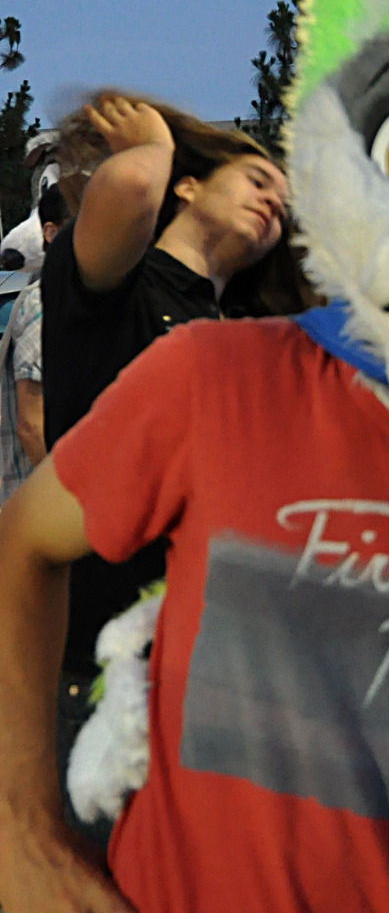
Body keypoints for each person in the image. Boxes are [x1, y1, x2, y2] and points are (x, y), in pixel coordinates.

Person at [40, 94, 291, 832]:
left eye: (283, 203)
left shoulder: (244, 335)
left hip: (208, 678)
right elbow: (130, 187)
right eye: (256, 180)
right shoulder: (120, 286)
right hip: (95, 674)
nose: (273, 203)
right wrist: (154, 143)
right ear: (187, 183)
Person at [0, 185, 70, 504]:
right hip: (39, 505)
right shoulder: (46, 303)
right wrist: (76, 500)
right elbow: (32, 426)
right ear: (51, 233)